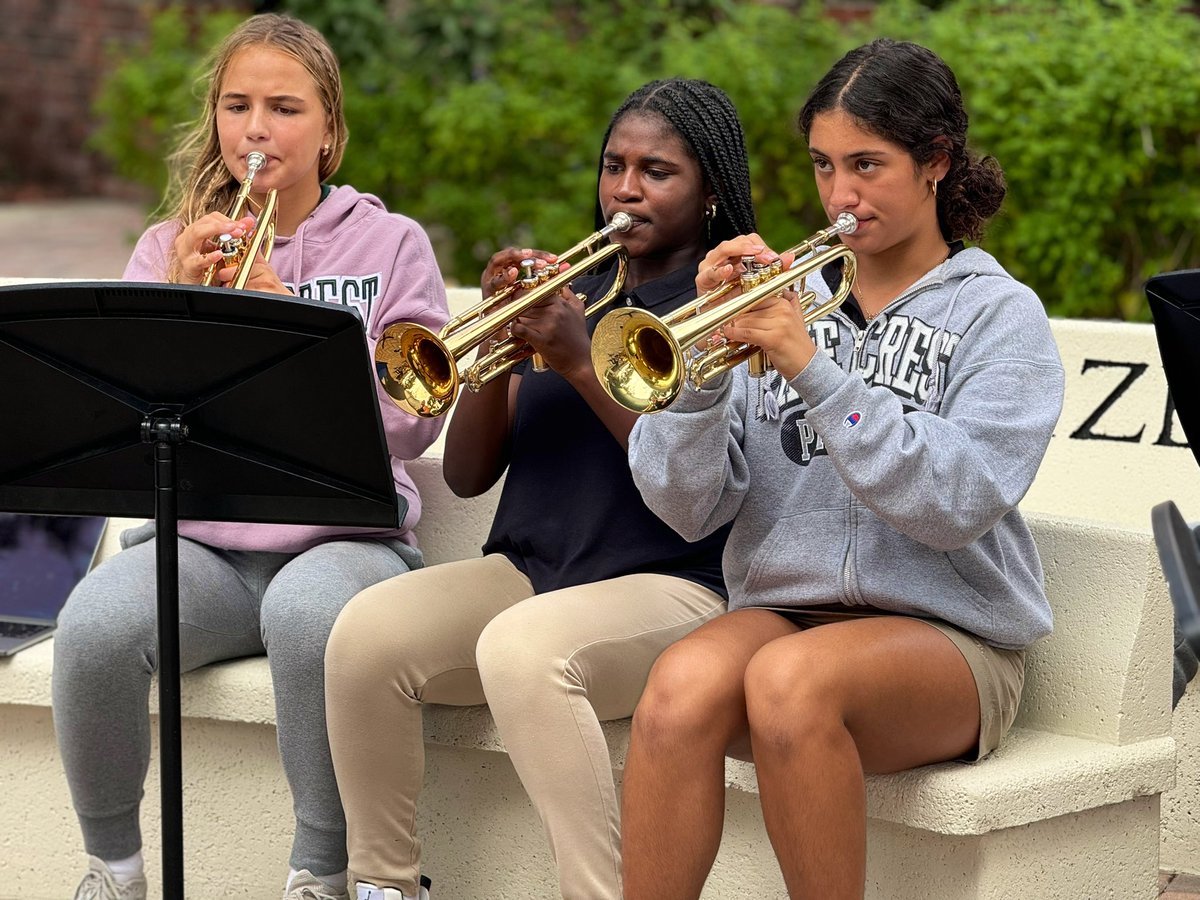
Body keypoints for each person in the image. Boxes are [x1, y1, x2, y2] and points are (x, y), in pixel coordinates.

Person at [620, 39, 1066, 899]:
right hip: (787, 614)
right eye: (824, 165)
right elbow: (685, 507)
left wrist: (815, 372)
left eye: (867, 165)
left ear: (936, 161)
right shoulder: (790, 298)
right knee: (676, 688)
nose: (840, 197)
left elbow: (954, 502)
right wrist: (699, 376)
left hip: (954, 639)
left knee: (791, 684)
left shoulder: (1000, 316)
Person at [323, 78, 757, 900]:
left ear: (710, 192)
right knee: (363, 637)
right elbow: (467, 474)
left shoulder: (723, 305)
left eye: (657, 171)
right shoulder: (576, 293)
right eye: (614, 166)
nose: (626, 189)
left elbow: (688, 480)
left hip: (677, 581)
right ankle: (383, 886)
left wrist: (577, 359)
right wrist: (499, 337)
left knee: (524, 651)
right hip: (537, 571)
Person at [52, 14, 449, 900]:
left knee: (308, 617)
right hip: (206, 544)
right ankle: (114, 871)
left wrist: (294, 325)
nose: (256, 129)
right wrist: (175, 304)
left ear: (330, 130)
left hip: (348, 538)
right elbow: (121, 414)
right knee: (92, 628)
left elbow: (413, 424)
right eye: (237, 107)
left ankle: (320, 873)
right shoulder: (167, 247)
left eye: (284, 108)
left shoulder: (390, 246)